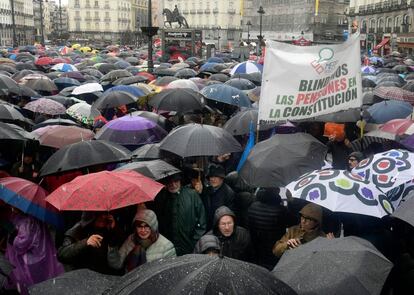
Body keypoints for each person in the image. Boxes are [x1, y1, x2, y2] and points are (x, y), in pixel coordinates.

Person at [5, 211, 64, 294]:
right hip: (43, 253)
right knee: (46, 278)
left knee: (33, 282)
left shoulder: (25, 221)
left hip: (30, 260)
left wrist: (13, 240)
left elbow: (23, 242)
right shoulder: (38, 216)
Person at [107, 209, 176, 273]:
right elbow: (116, 265)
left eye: (146, 226)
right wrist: (113, 245)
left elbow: (169, 273)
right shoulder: (131, 239)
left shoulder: (166, 246)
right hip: (131, 283)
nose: (143, 230)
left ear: (153, 227)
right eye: (139, 226)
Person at [154, 173, 206, 256]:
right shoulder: (162, 198)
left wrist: (194, 241)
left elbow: (202, 221)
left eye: (176, 181)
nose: (173, 185)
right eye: (170, 182)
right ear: (166, 184)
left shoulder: (192, 195)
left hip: (189, 247)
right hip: (168, 248)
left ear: (180, 181)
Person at [57, 211, 125, 275]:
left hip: (104, 279)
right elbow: (62, 254)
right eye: (99, 214)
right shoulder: (78, 230)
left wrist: (113, 234)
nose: (104, 217)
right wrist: (85, 243)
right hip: (81, 277)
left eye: (106, 213)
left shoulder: (110, 230)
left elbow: (116, 265)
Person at [248, 187, 287, 270]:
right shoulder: (281, 210)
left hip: (256, 245)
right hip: (273, 246)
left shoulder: (252, 206)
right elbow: (292, 222)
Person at [202, 164, 235, 230]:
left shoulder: (228, 193)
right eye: (211, 177)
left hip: (220, 228)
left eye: (216, 176)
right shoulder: (207, 190)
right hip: (208, 227)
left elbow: (230, 215)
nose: (212, 179)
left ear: (222, 178)